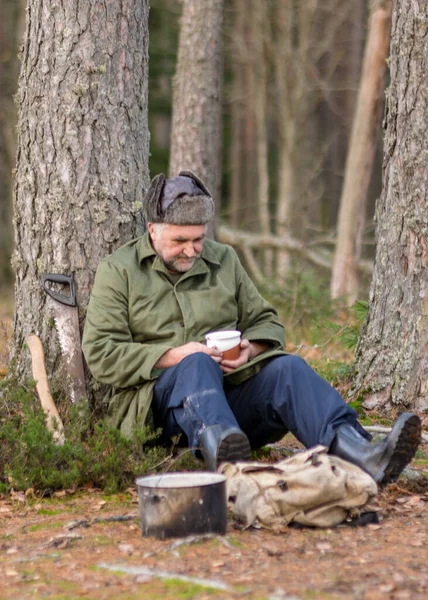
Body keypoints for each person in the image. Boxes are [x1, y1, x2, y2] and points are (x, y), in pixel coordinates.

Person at [82, 171, 421, 483]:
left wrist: (251, 348)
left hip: (230, 401)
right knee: (196, 363)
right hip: (160, 415)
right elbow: (100, 354)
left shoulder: (223, 260)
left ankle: (362, 453)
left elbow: (266, 322)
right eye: (180, 240)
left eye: (198, 239)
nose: (191, 250)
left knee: (288, 368)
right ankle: (234, 471)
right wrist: (174, 356)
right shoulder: (119, 271)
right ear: (153, 229)